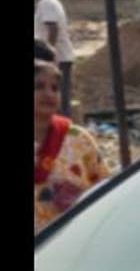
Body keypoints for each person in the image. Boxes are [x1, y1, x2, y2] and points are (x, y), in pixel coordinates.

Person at [35, 56, 108, 234]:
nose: (49, 94)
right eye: (38, 86)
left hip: (75, 237)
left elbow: (105, 187)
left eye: (55, 88)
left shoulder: (78, 139)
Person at [34, 0, 76, 116]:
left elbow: (53, 28)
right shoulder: (48, 2)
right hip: (54, 58)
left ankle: (62, 126)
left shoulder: (47, 3)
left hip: (56, 58)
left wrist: (50, 54)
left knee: (58, 99)